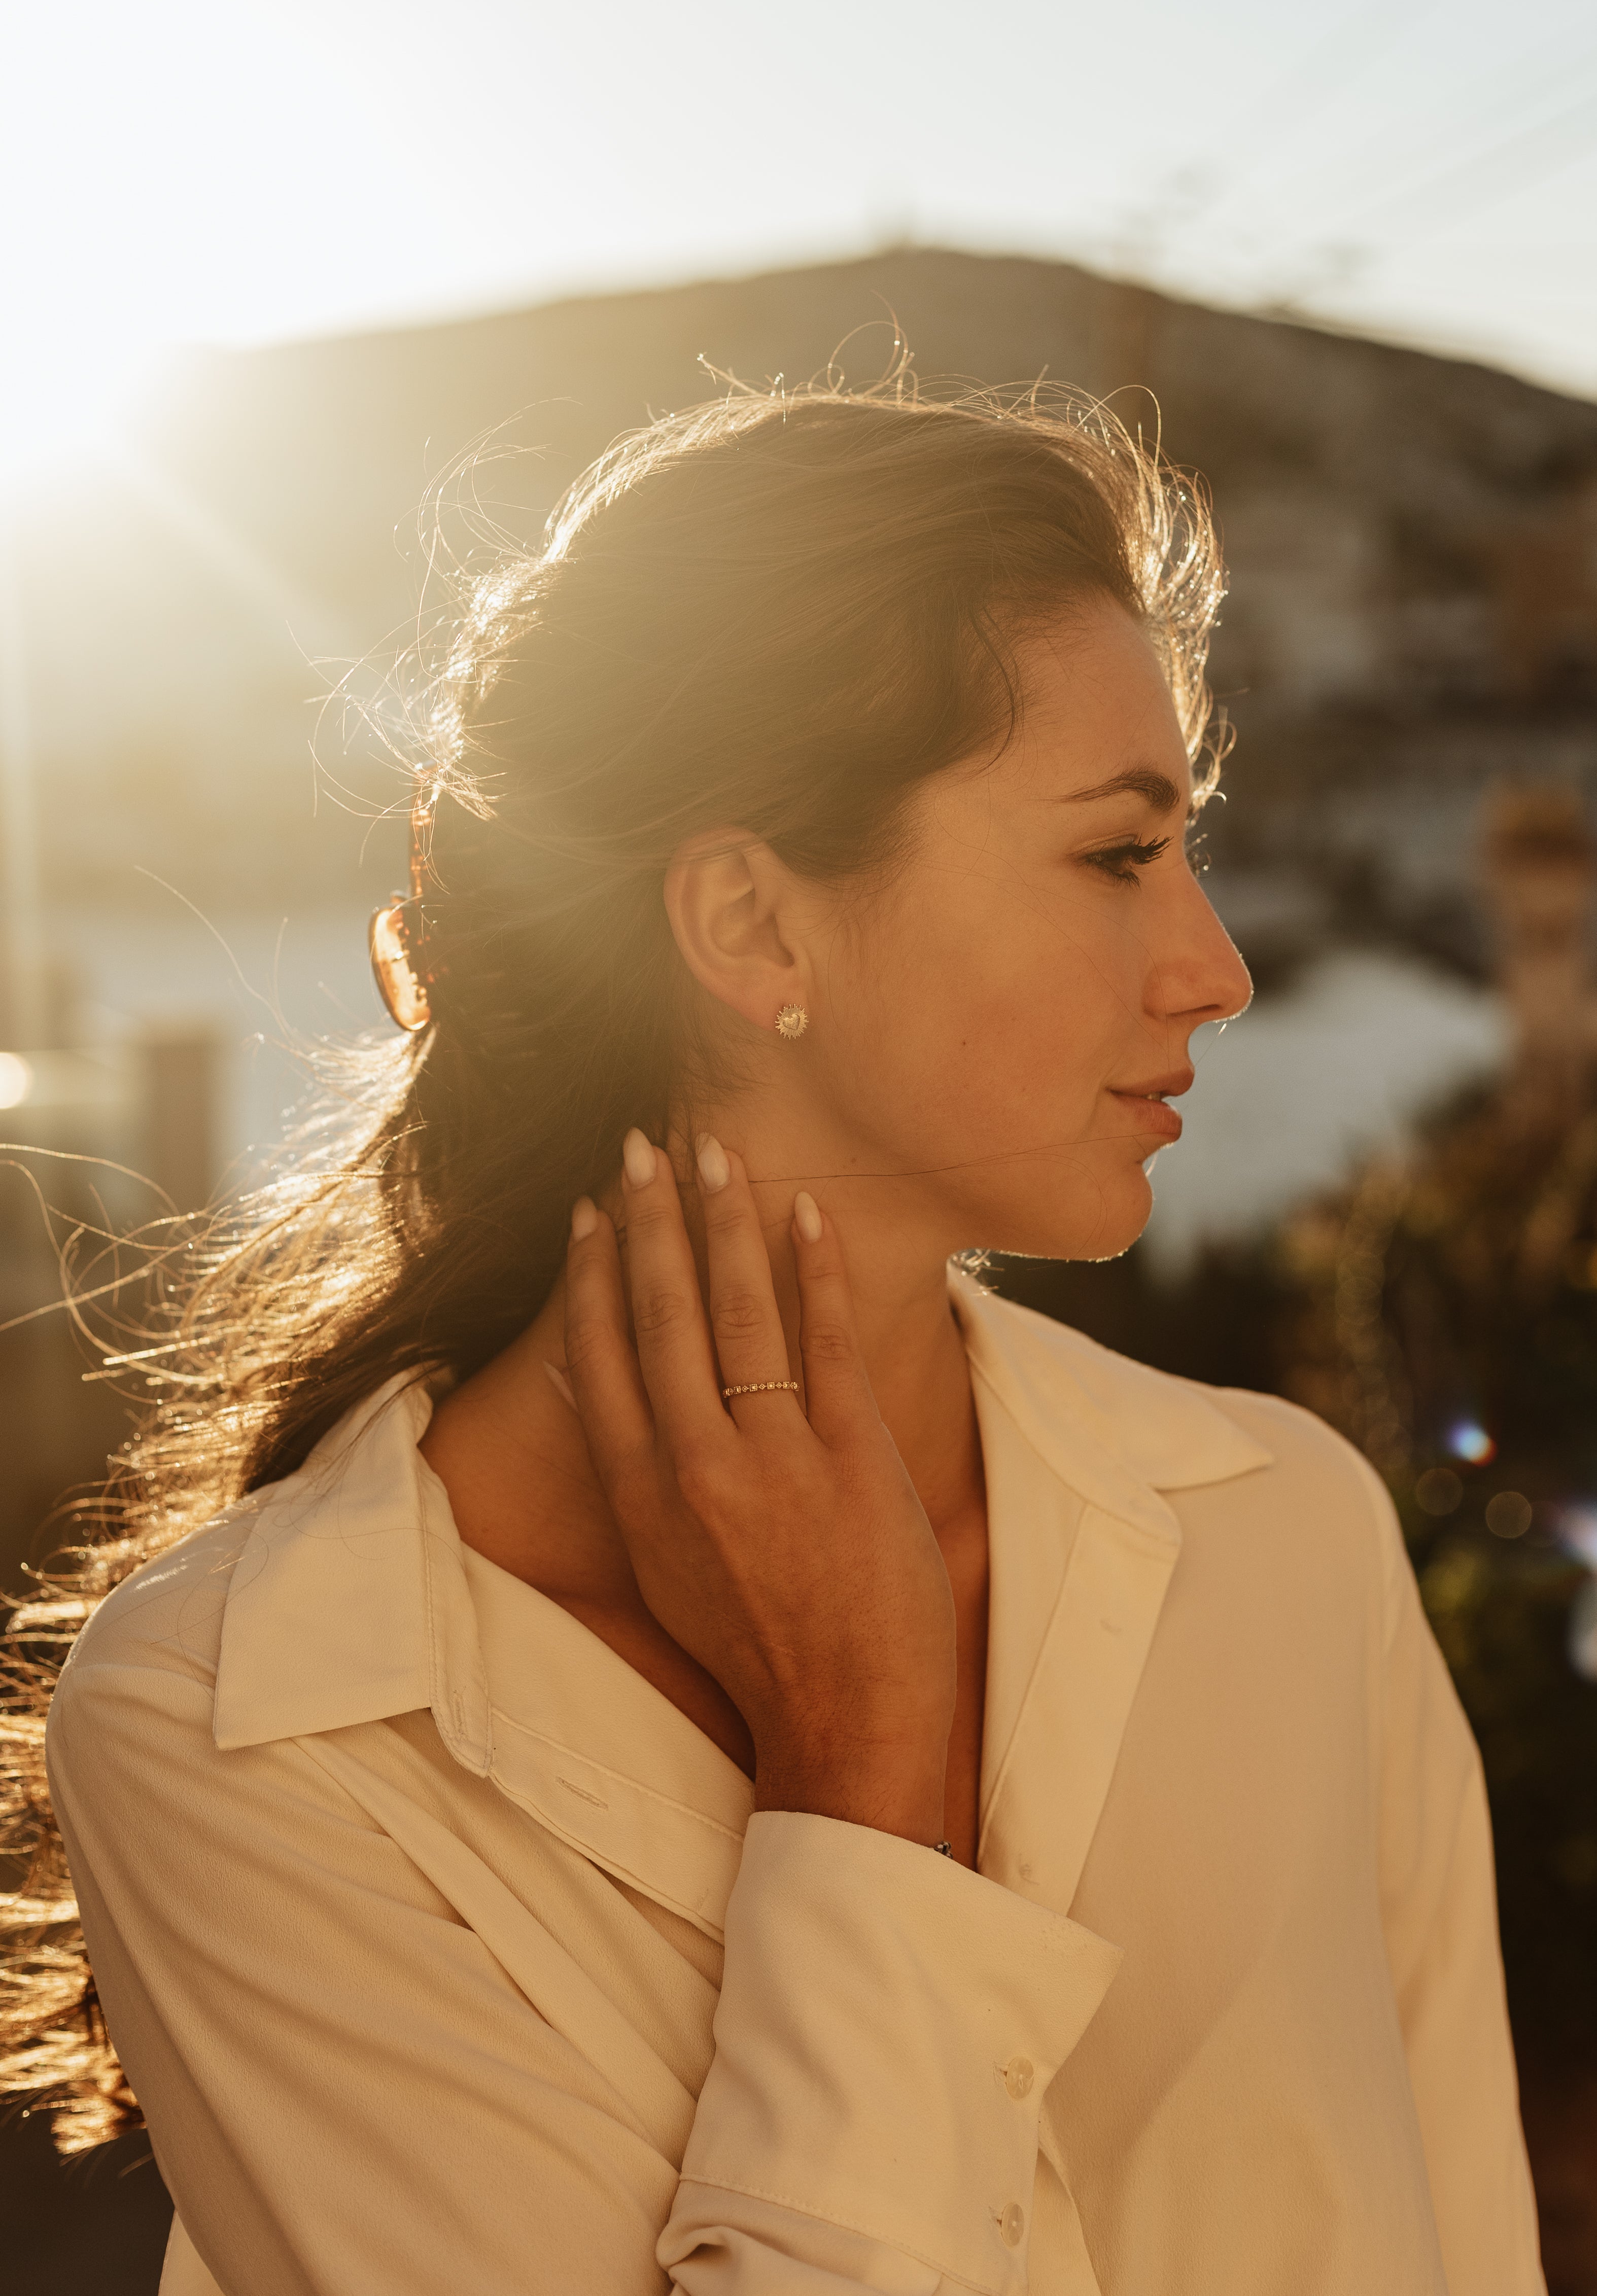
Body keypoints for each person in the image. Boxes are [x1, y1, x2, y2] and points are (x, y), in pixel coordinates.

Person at [9, 385, 1542, 2293]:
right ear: (752, 923)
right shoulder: (250, 1731)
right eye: (1113, 854)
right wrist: (859, 1771)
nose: (1216, 966)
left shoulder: (1288, 1541)